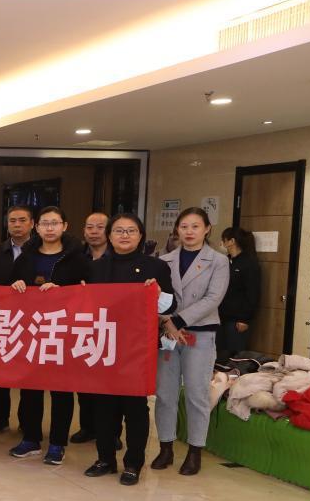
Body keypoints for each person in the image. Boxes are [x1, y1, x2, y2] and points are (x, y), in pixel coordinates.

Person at [85, 214, 175, 485]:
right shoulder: (96, 267)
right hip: (104, 344)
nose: (124, 235)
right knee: (103, 406)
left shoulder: (156, 267)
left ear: (140, 235)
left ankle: (133, 463)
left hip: (137, 347)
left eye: (131, 231)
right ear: (110, 236)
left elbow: (171, 305)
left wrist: (157, 294)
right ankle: (105, 458)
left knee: (134, 407)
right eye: (119, 230)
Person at [8, 206, 89, 465]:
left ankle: (57, 443)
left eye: (55, 223)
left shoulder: (77, 259)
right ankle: (31, 438)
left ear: (65, 226)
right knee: (30, 388)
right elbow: (8, 288)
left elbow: (90, 293)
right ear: (37, 227)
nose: (50, 228)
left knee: (61, 390)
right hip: (31, 331)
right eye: (45, 223)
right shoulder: (26, 257)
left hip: (63, 332)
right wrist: (16, 285)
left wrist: (64, 291)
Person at [154, 207, 229, 476]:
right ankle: (165, 447)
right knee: (165, 394)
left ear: (207, 229)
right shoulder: (165, 260)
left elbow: (213, 298)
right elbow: (156, 296)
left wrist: (179, 321)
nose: (189, 232)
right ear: (177, 229)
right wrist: (167, 322)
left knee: (197, 394)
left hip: (200, 332)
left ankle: (195, 450)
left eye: (195, 226)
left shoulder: (218, 261)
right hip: (167, 333)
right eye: (184, 226)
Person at [0, 205, 35, 436]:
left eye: (22, 220)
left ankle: (27, 421)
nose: (17, 224)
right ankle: (0, 418)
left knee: (29, 375)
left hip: (33, 321)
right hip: (2, 320)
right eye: (12, 220)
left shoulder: (41, 251)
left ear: (32, 224)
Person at [72, 211, 112, 445]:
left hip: (110, 325)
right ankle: (87, 427)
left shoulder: (117, 257)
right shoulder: (76, 257)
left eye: (99, 227)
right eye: (89, 227)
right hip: (82, 325)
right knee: (83, 381)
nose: (94, 232)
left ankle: (111, 432)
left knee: (108, 384)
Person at [218, 226, 262, 360]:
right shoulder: (224, 261)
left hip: (237, 319)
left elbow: (252, 293)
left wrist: (244, 319)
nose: (221, 243)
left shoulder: (249, 263)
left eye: (223, 240)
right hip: (220, 316)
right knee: (219, 354)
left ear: (231, 241)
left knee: (235, 356)